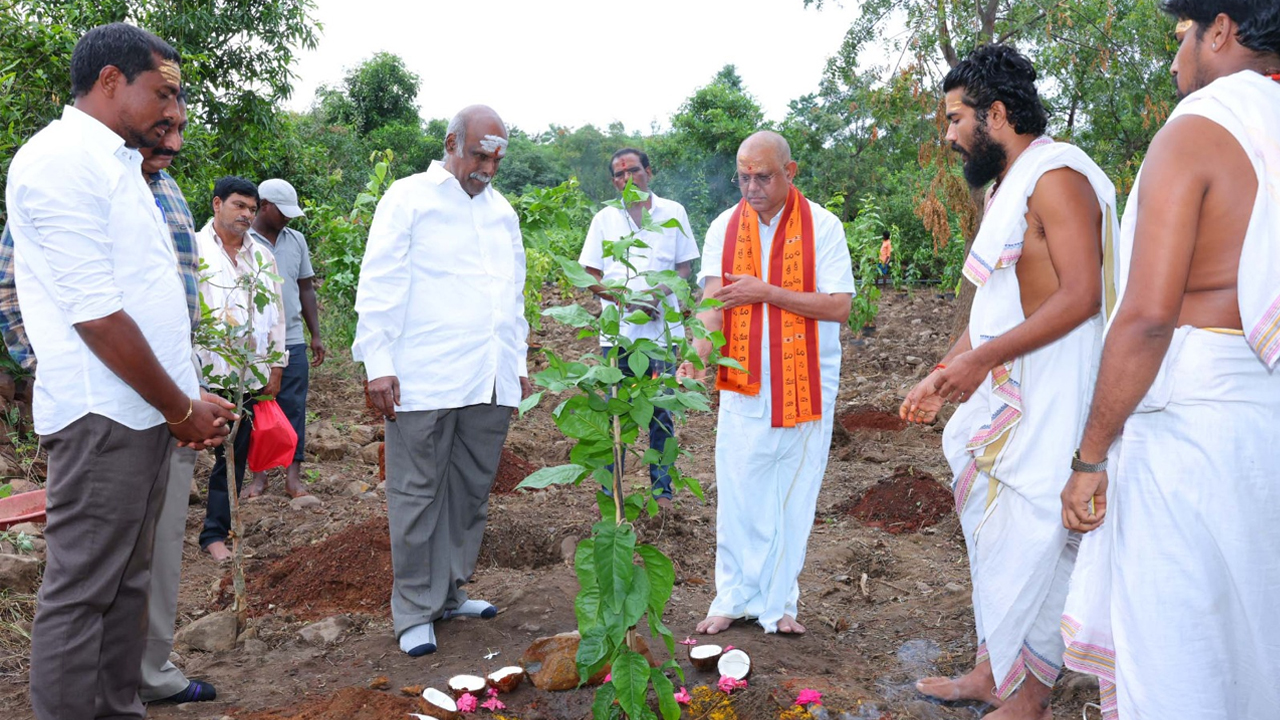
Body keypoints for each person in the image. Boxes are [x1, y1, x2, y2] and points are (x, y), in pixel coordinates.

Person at [5, 23, 233, 720]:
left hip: (140, 413)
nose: (177, 112)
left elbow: (145, 297)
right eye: (164, 93)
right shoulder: (59, 161)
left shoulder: (118, 165)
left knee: (126, 586)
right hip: (104, 414)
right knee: (81, 594)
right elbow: (97, 316)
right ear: (111, 81)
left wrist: (183, 395)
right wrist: (178, 408)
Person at [1059, 4, 1280, 719]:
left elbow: (1149, 318)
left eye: (1180, 33)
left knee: (1184, 653)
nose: (1176, 53)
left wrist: (1090, 457)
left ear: (1219, 30)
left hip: (1193, 441)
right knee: (1258, 644)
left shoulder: (1196, 132)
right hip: (1263, 428)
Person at [897, 44, 1119, 720]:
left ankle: (1028, 699)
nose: (950, 135)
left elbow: (1080, 296)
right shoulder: (1011, 185)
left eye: (958, 118)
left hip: (1057, 396)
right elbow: (1000, 308)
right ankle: (994, 670)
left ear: (997, 113)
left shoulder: (1057, 178)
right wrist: (946, 370)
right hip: (1012, 392)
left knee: (1038, 544)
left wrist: (973, 364)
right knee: (999, 538)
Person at [353, 105, 531, 657]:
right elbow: (380, 281)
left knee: (469, 492)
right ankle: (413, 609)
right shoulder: (408, 198)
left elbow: (513, 293)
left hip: (488, 377)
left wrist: (517, 363)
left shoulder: (502, 213)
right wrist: (377, 362)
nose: (488, 167)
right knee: (416, 495)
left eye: (497, 158)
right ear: (452, 142)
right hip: (424, 377)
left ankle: (450, 593)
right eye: (479, 154)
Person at [678, 131, 854, 636]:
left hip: (807, 380)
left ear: (790, 172)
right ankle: (731, 598)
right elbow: (713, 305)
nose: (751, 186)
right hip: (743, 379)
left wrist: (767, 293)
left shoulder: (823, 226)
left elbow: (839, 306)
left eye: (763, 176)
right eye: (743, 176)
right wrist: (694, 358)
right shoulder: (723, 228)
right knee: (738, 490)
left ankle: (779, 604)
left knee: (793, 495)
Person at [578, 148, 699, 508]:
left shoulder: (673, 213)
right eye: (619, 174)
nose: (627, 179)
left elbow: (683, 269)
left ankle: (662, 493)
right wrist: (622, 300)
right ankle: (611, 493)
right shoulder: (605, 219)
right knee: (614, 413)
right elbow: (589, 274)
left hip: (662, 337)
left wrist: (655, 296)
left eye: (633, 170)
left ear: (649, 171)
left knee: (661, 414)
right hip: (618, 338)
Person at [195, 176, 288, 562]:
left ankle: (215, 534)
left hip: (246, 374)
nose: (246, 214)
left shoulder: (262, 256)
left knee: (230, 458)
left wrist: (277, 363)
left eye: (252, 208)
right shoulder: (193, 248)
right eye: (238, 205)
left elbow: (278, 313)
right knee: (174, 454)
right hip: (199, 372)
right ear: (217, 204)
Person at [243, 178, 324, 500]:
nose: (289, 218)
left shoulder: (297, 240)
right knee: (256, 410)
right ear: (264, 207)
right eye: (283, 212)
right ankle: (258, 478)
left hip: (291, 339)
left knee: (293, 408)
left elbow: (305, 287)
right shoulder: (241, 238)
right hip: (253, 343)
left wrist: (315, 335)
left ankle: (293, 478)